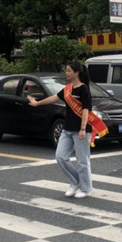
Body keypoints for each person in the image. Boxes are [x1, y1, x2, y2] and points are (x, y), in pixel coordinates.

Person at [29, 61, 107, 198]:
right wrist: (37, 103)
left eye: (69, 71)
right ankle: (75, 181)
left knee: (82, 161)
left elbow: (86, 110)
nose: (66, 73)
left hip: (81, 130)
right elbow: (54, 98)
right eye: (66, 71)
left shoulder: (83, 89)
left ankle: (86, 188)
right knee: (60, 156)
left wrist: (83, 128)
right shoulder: (67, 89)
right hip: (67, 129)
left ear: (76, 73)